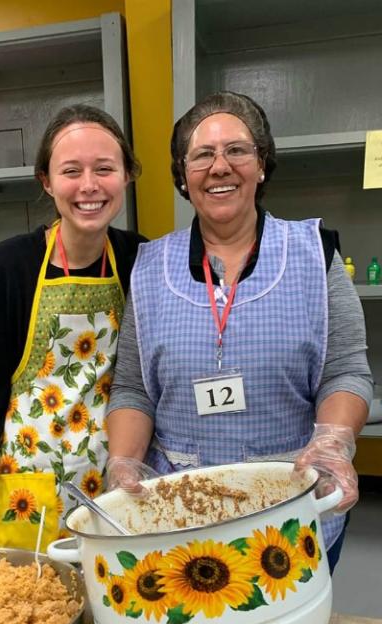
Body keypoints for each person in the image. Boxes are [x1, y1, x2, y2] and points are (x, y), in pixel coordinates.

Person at [106, 91, 373, 574]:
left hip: (292, 505)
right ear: (183, 176)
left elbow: (346, 371)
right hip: (180, 513)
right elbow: (133, 388)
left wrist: (334, 443)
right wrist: (123, 462)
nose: (220, 166)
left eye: (237, 150)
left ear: (262, 164)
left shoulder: (315, 255)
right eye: (202, 154)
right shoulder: (148, 269)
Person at [0, 104, 146, 558]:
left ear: (126, 176)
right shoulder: (7, 266)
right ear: (46, 181)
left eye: (105, 168)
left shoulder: (140, 257)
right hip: (26, 489)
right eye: (71, 171)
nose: (89, 186)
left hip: (115, 485)